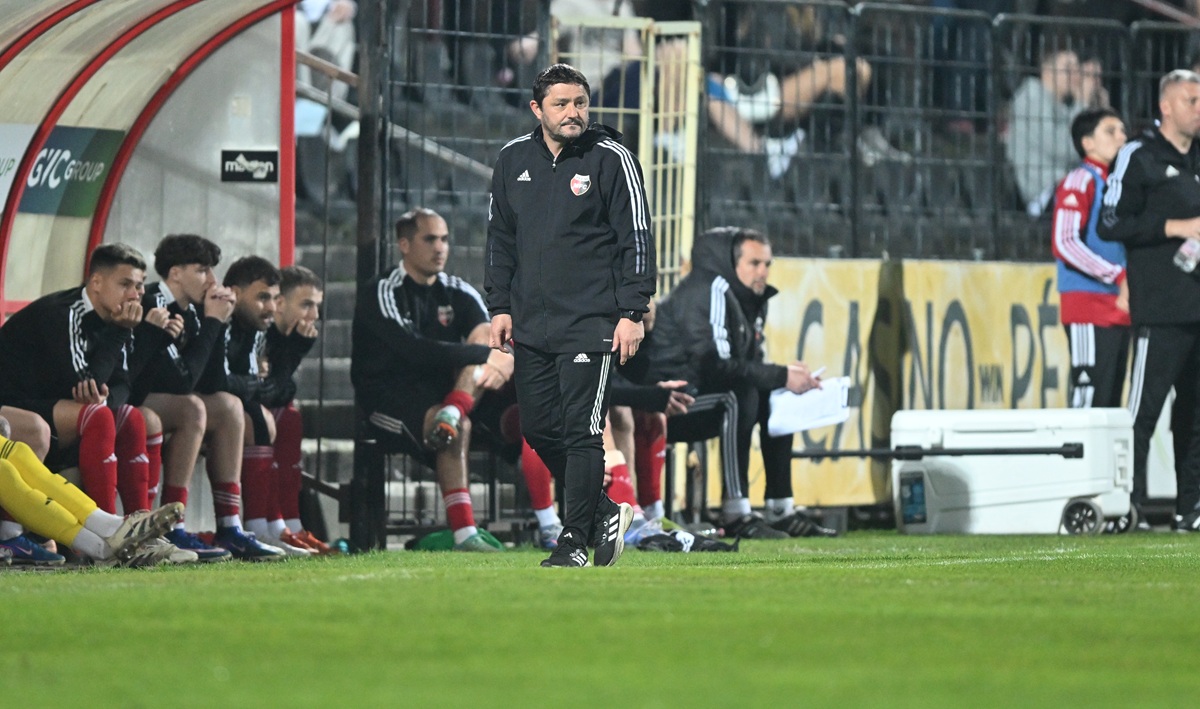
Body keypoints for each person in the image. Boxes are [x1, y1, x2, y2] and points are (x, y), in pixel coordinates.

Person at [486, 63, 655, 567]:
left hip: (591, 320)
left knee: (582, 429)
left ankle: (573, 540)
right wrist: (498, 305)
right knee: (539, 429)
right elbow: (500, 238)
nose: (573, 112)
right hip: (531, 322)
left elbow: (637, 238)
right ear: (537, 109)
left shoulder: (612, 158)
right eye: (561, 104)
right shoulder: (512, 158)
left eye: (580, 102)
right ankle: (603, 511)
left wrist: (632, 311)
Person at [0, 243, 196, 564]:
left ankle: (140, 531)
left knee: (132, 417)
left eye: (139, 285)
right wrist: (120, 334)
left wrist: (147, 339)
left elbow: (123, 387)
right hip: (17, 405)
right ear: (96, 282)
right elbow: (81, 384)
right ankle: (114, 535)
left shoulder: (118, 319)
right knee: (97, 416)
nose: (135, 295)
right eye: (125, 284)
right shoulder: (65, 313)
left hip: (56, 413)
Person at [647, 226, 837, 539]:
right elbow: (713, 367)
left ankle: (780, 508)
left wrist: (784, 377)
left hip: (696, 397)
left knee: (772, 393)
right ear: (732, 263)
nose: (763, 272)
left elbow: (749, 366)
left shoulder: (747, 299)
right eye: (754, 263)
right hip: (666, 402)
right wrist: (781, 373)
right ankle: (735, 511)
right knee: (738, 395)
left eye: (767, 264)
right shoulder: (711, 289)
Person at [352, 207, 514, 552]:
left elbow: (492, 342)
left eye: (444, 239)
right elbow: (414, 351)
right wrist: (487, 356)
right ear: (404, 245)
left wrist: (493, 355)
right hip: (388, 397)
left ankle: (455, 410)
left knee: (485, 339)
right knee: (462, 414)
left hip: (444, 396)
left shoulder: (458, 292)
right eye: (430, 239)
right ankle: (465, 533)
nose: (440, 247)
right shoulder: (383, 291)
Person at [1098, 69, 1200, 531]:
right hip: (1161, 307)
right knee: (1143, 412)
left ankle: (1190, 508)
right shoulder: (1138, 155)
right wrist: (1173, 228)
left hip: (1197, 307)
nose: (1198, 109)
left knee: (1194, 416)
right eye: (1190, 100)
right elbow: (1110, 222)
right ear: (1166, 106)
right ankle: (1127, 506)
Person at [132, 234, 241, 562]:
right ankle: (171, 523)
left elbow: (214, 382)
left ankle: (230, 525)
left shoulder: (192, 311)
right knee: (191, 407)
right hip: (129, 397)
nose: (212, 280)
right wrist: (212, 321)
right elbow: (182, 383)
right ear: (175, 273)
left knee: (229, 406)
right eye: (202, 270)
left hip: (160, 399)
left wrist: (216, 323)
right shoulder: (153, 304)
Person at [195, 256, 293, 559]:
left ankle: (262, 525)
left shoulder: (253, 328)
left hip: (215, 407)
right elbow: (217, 381)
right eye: (263, 297)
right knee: (246, 415)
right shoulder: (219, 319)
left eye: (275, 299)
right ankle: (242, 525)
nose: (271, 307)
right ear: (235, 293)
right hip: (194, 404)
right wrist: (249, 384)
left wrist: (298, 348)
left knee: (267, 417)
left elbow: (264, 388)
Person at [1052, 108, 1130, 409]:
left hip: (1118, 307)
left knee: (1109, 403)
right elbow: (1065, 242)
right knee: (1089, 400)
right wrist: (1117, 274)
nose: (1122, 137)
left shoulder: (1117, 185)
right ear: (1087, 143)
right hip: (1088, 305)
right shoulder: (1080, 180)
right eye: (1111, 131)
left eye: (1122, 130)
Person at [258, 265, 334, 554]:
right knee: (283, 418)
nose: (314, 315)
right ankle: (272, 527)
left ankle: (291, 524)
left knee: (288, 417)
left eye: (317, 306)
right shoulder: (262, 334)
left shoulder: (289, 336)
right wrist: (297, 349)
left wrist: (296, 349)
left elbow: (282, 389)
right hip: (243, 419)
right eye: (306, 305)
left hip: (264, 417)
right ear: (280, 303)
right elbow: (269, 392)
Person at [1007, 49, 1107, 217]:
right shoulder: (1032, 94)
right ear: (1046, 70)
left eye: (1077, 69)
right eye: (1068, 69)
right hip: (1044, 193)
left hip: (1068, 184)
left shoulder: (1061, 106)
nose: (1076, 76)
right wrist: (1082, 103)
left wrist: (1100, 110)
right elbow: (1064, 149)